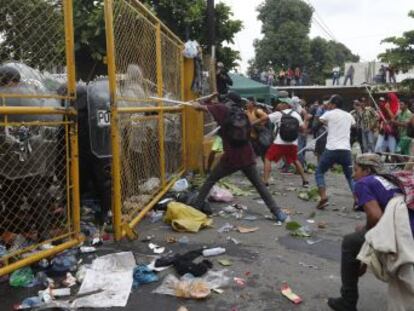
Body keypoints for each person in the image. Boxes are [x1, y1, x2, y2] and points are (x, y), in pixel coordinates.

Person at [328, 153, 414, 311]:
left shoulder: (363, 183)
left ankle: (348, 300)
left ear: (367, 171)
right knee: (360, 233)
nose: (353, 175)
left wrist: (365, 253)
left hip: (402, 234)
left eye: (356, 170)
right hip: (408, 226)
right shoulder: (389, 179)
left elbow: (376, 216)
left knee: (350, 242)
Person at [192, 92, 289, 223]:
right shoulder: (242, 113)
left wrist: (196, 103)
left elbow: (199, 107)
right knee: (259, 185)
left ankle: (196, 207)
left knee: (211, 180)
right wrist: (209, 100)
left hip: (231, 158)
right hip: (247, 156)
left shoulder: (221, 109)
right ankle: (277, 212)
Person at [315, 95, 356, 209]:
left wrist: (329, 124)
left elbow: (319, 120)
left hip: (331, 149)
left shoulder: (329, 113)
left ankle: (323, 196)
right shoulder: (349, 115)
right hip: (346, 150)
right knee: (350, 176)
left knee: (319, 172)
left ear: (333, 104)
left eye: (330, 104)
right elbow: (353, 125)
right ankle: (356, 199)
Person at [259, 98, 310, 188]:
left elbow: (264, 118)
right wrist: (305, 119)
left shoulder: (279, 113)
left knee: (267, 158)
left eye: (282, 103)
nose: (280, 104)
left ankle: (265, 182)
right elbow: (303, 129)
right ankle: (305, 181)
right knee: (295, 160)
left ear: (287, 105)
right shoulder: (296, 115)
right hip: (292, 142)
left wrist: (251, 123)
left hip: (279, 142)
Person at [245, 97, 270, 161]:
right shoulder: (246, 112)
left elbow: (266, 117)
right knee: (251, 152)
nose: (246, 104)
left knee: (263, 153)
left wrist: (255, 123)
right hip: (251, 135)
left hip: (260, 135)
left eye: (248, 102)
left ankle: (266, 166)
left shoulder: (257, 111)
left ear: (252, 103)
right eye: (246, 103)